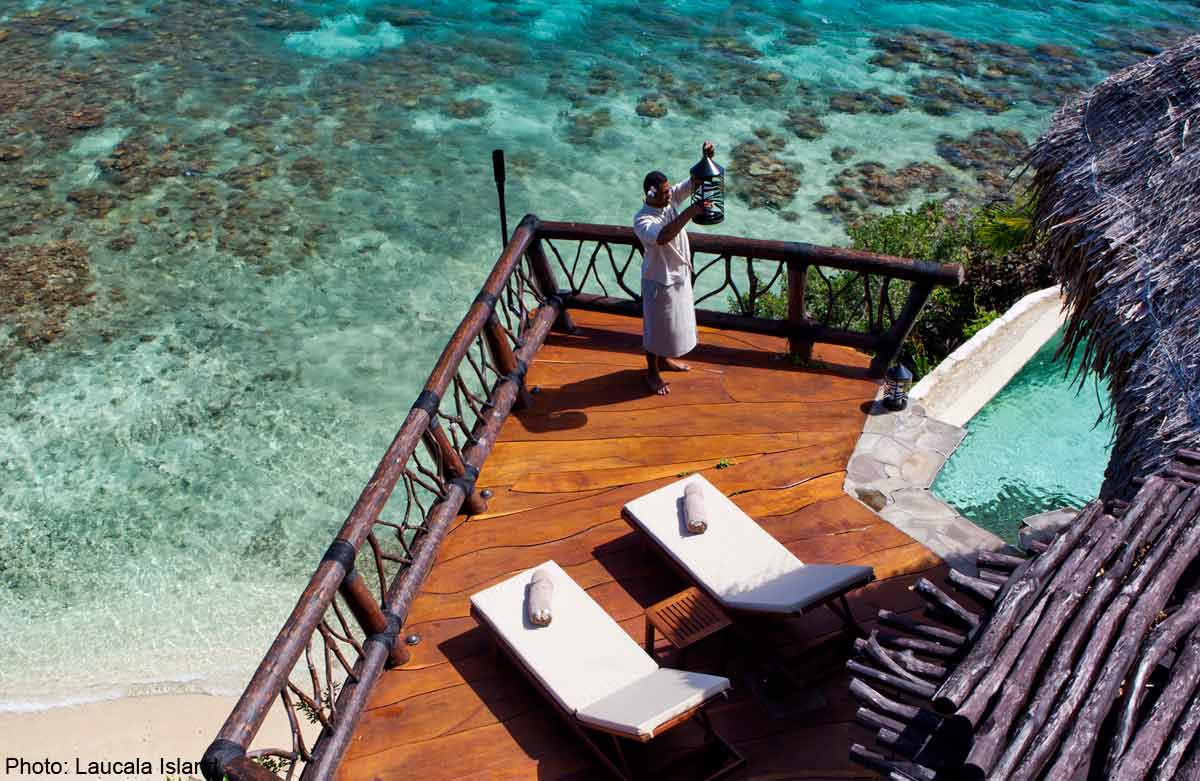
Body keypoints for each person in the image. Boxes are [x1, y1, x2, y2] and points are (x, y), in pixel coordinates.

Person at [633, 140, 715, 395]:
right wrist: (691, 212)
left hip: (678, 275)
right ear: (650, 194)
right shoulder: (642, 219)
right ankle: (652, 373)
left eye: (669, 191)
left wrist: (706, 159)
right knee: (656, 329)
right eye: (664, 193)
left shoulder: (670, 201)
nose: (670, 195)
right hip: (658, 279)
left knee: (672, 326)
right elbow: (663, 236)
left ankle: (665, 360)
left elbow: (693, 183)